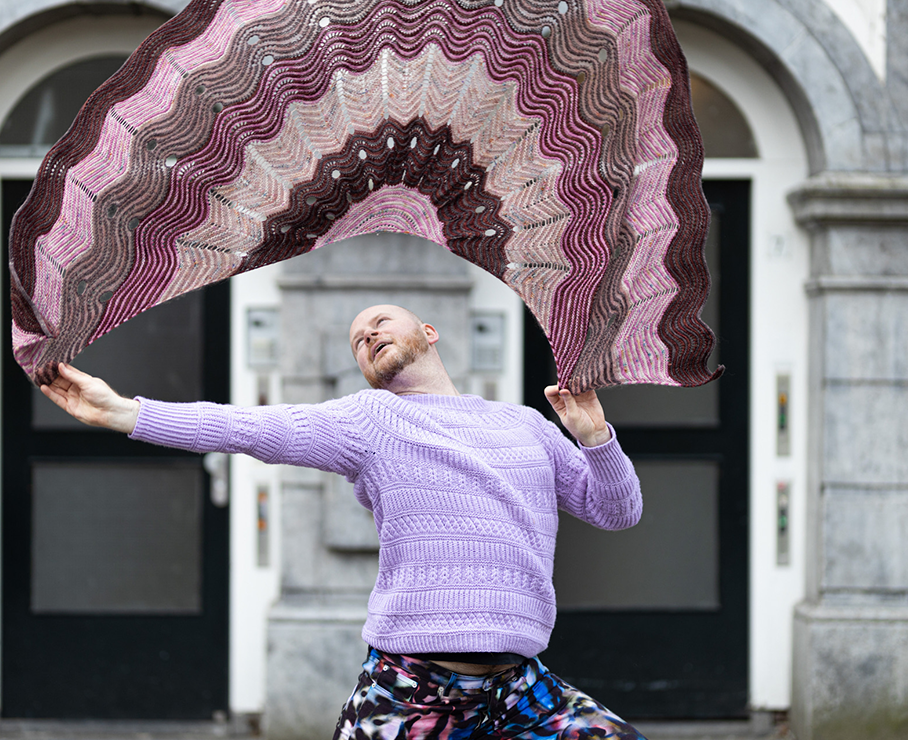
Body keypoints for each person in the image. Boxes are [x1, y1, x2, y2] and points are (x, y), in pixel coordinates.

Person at [41, 304, 646, 740]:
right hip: (412, 691)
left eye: (381, 320)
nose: (368, 332)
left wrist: (595, 437)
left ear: (428, 333)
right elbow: (247, 428)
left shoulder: (526, 425)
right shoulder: (371, 420)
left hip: (519, 688)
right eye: (358, 338)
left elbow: (616, 511)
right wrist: (125, 412)